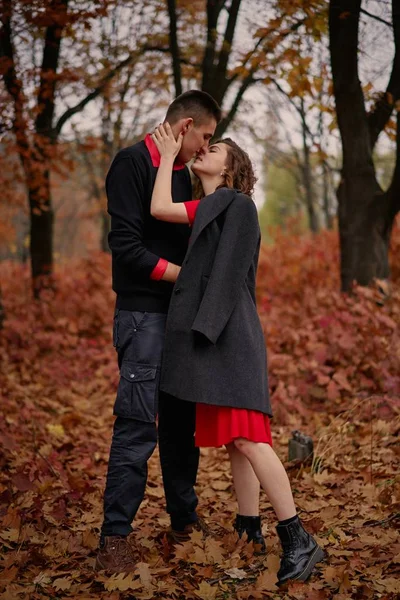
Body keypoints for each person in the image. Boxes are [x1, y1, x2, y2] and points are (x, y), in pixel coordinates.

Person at [149, 123, 325, 586]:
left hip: (229, 336)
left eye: (217, 147)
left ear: (232, 167)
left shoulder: (239, 205)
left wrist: (203, 333)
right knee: (234, 441)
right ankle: (250, 530)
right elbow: (159, 208)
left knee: (249, 438)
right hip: (216, 336)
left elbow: (227, 278)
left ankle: (298, 538)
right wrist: (169, 155)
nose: (206, 149)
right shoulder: (210, 206)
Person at [95, 91, 222, 573]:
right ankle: (114, 537)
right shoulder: (129, 164)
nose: (205, 146)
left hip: (181, 317)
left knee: (180, 425)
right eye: (204, 136)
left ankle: (184, 520)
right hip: (142, 315)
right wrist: (185, 277)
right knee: (135, 424)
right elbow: (125, 247)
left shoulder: (186, 173)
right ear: (185, 125)